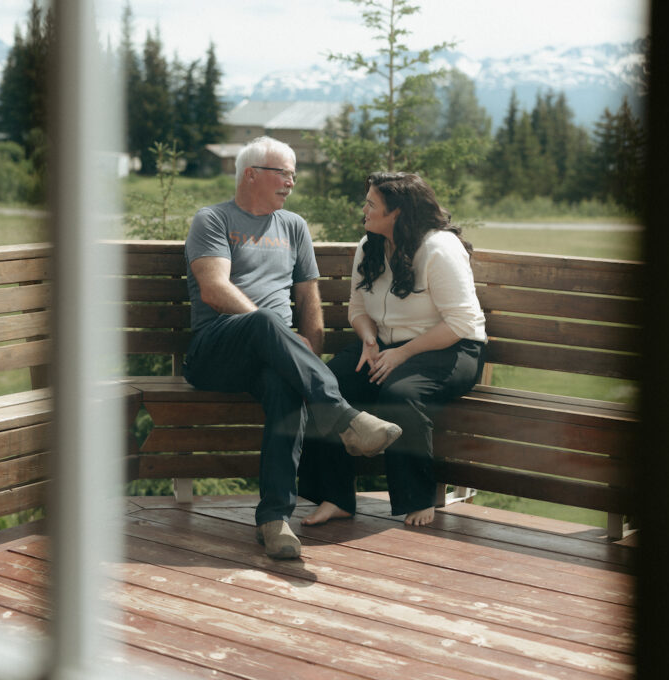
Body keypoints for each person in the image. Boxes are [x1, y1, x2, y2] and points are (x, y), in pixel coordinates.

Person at [182, 137, 402, 560]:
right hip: (215, 350)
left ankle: (273, 519)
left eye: (294, 175)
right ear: (251, 174)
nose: (291, 182)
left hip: (272, 354)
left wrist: (306, 356)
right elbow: (213, 289)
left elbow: (308, 301)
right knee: (265, 320)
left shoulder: (294, 226)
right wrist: (270, 329)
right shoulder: (212, 219)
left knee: (286, 390)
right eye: (283, 173)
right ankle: (344, 418)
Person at [298, 171, 487, 527]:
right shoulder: (368, 245)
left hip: (451, 348)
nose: (364, 209)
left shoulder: (439, 248)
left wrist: (403, 353)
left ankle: (419, 498)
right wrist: (369, 339)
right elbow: (358, 309)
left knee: (400, 392)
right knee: (321, 382)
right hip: (383, 346)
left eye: (372, 204)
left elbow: (461, 323)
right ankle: (335, 497)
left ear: (397, 212)